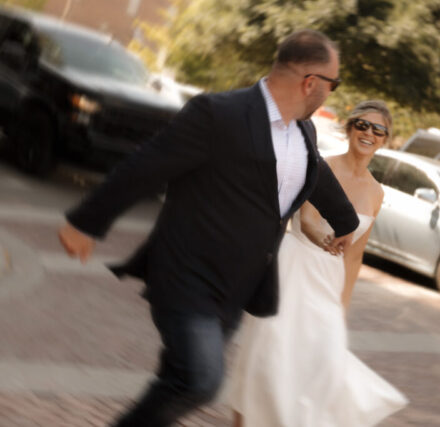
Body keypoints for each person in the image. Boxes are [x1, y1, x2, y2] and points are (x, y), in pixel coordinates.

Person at [57, 29, 360, 427]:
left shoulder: (303, 132)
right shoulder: (219, 114)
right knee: (201, 380)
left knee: (178, 379)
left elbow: (314, 173)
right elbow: (148, 165)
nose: (331, 93)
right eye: (332, 84)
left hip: (237, 288)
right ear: (311, 82)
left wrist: (347, 221)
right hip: (187, 276)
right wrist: (86, 222)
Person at [227, 100, 408, 427]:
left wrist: (343, 307)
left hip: (328, 282)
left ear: (385, 139)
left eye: (378, 129)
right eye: (362, 125)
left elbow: (355, 255)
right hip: (293, 268)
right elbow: (307, 219)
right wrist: (324, 237)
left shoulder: (377, 193)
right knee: (266, 355)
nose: (369, 133)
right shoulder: (322, 165)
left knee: (320, 364)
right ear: (350, 128)